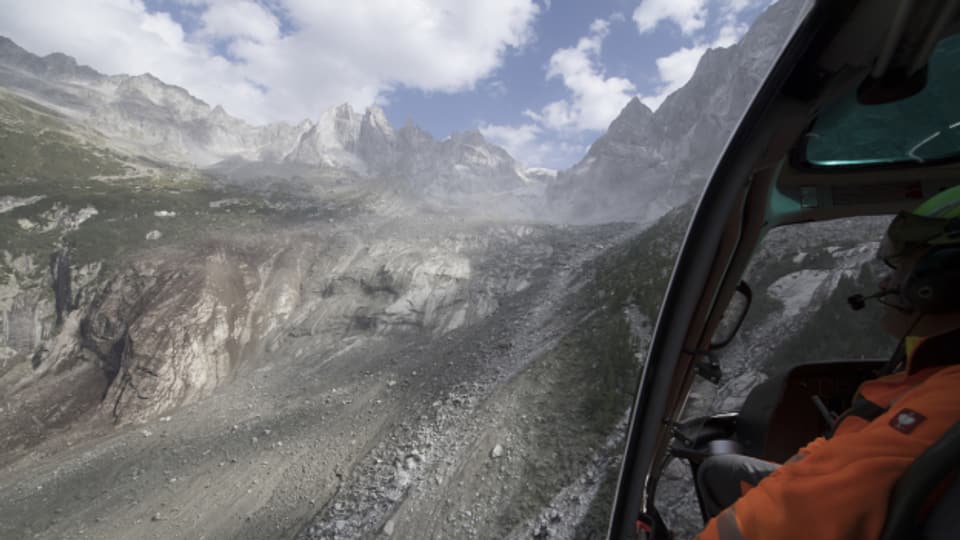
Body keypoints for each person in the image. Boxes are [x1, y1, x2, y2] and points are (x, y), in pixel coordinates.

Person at [694, 185, 960, 540]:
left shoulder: (941, 399)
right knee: (718, 471)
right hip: (835, 486)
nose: (885, 280)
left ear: (944, 280)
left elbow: (808, 511)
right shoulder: (927, 372)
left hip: (823, 508)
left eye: (902, 268)